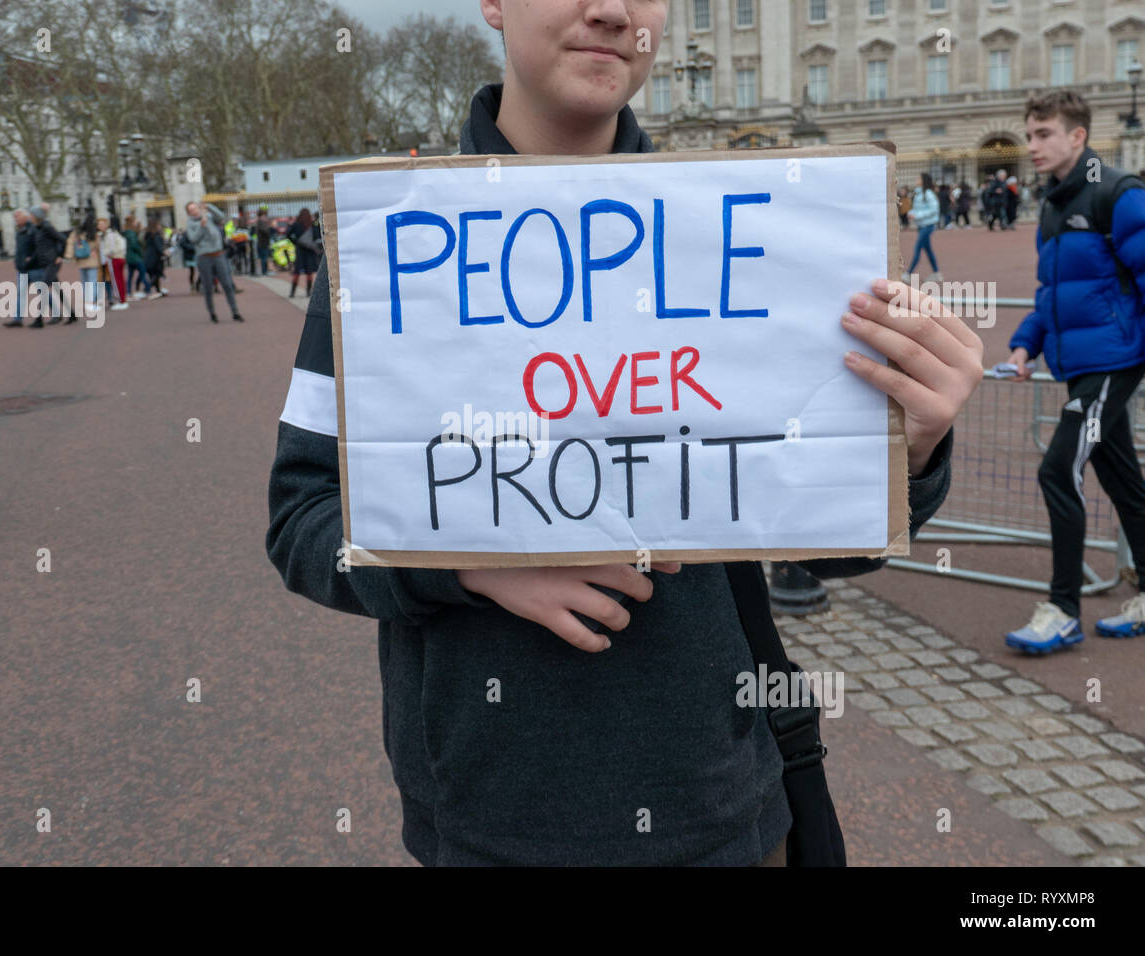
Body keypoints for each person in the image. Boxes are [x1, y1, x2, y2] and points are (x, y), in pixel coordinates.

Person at [266, 0, 979, 867]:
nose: (610, 9)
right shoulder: (389, 240)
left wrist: (914, 447)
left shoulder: (754, 235)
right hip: (490, 822)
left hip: (722, 811)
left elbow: (823, 553)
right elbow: (301, 520)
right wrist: (469, 560)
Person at [1003, 90, 1145, 653]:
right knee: (1123, 483)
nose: (1032, 145)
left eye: (1043, 134)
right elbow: (1049, 295)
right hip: (1079, 364)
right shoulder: (1055, 206)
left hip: (1114, 362)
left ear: (1077, 137)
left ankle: (1062, 609)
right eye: (1029, 134)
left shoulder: (1121, 194)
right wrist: (1022, 347)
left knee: (1058, 470)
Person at [185, 200, 243, 323]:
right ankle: (212, 313)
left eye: (195, 208)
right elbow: (193, 239)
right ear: (189, 213)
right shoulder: (190, 224)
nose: (194, 211)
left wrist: (209, 207)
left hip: (219, 254)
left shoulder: (209, 216)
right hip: (204, 257)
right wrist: (202, 226)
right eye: (191, 210)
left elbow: (221, 217)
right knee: (208, 287)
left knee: (227, 284)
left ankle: (235, 312)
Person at [62, 211, 102, 323]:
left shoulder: (77, 232)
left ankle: (87, 303)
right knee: (92, 282)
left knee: (85, 282)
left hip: (81, 260)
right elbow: (98, 246)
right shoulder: (93, 233)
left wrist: (69, 255)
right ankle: (90, 304)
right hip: (92, 260)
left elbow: (70, 242)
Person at [29, 205, 66, 326]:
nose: (31, 217)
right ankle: (72, 314)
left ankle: (38, 320)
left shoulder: (47, 227)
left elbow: (62, 239)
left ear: (36, 216)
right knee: (57, 289)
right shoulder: (38, 228)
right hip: (45, 263)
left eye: (32, 215)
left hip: (52, 262)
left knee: (44, 288)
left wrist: (60, 255)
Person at [903, 172, 942, 281]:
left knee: (917, 248)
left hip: (928, 225)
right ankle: (936, 273)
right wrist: (911, 213)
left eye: (918, 178)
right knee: (928, 250)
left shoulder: (928, 193)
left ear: (923, 180)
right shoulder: (919, 193)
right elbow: (919, 209)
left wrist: (917, 215)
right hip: (921, 225)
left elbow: (934, 210)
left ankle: (908, 273)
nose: (916, 179)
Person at [4, 208, 39, 328]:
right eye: (15, 217)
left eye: (17, 217)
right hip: (23, 267)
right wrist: (18, 262)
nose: (15, 219)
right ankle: (18, 318)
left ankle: (56, 312)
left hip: (34, 267)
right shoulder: (20, 231)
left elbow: (39, 247)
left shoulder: (33, 229)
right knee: (21, 293)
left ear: (26, 217)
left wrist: (32, 258)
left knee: (41, 291)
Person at [286, 207, 321, 297]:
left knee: (297, 271)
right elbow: (317, 237)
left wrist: (295, 242)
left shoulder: (297, 224)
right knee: (309, 272)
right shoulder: (312, 225)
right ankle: (308, 293)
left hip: (300, 250)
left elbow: (288, 234)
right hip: (310, 251)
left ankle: (292, 293)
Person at [97, 216, 128, 311]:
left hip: (114, 258)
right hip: (118, 257)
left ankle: (121, 300)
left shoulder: (109, 235)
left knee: (116, 280)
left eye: (102, 224)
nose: (100, 226)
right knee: (119, 280)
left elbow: (110, 249)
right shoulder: (112, 233)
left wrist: (108, 253)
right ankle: (122, 300)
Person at [123, 215, 149, 300]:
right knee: (142, 273)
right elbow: (135, 245)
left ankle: (129, 291)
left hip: (129, 257)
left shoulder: (126, 232)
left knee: (130, 275)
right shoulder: (131, 233)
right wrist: (140, 251)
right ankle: (147, 289)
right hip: (136, 257)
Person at [142, 217, 166, 299]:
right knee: (156, 274)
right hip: (155, 258)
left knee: (153, 275)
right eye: (159, 225)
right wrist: (165, 252)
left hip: (148, 258)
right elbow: (159, 247)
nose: (160, 226)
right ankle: (147, 288)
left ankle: (158, 291)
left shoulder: (148, 235)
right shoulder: (156, 235)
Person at [254, 209, 273, 277]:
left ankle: (264, 271)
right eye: (265, 215)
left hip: (262, 243)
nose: (266, 217)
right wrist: (268, 226)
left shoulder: (259, 222)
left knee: (263, 258)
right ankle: (264, 271)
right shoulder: (261, 222)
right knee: (264, 258)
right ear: (262, 216)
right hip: (263, 243)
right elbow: (266, 231)